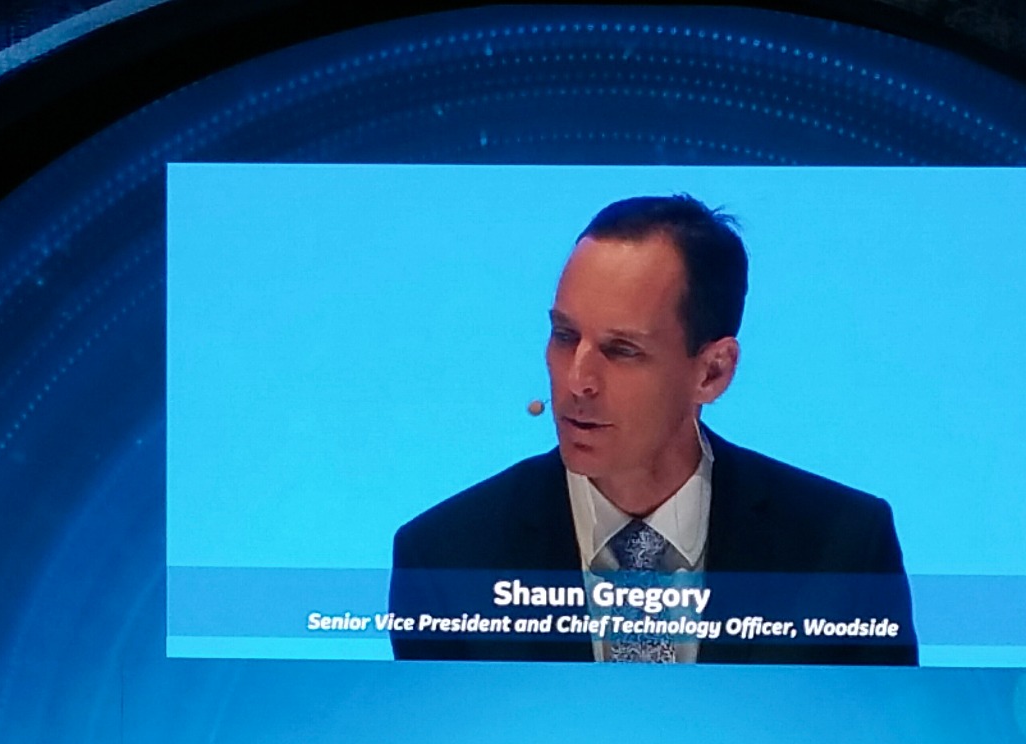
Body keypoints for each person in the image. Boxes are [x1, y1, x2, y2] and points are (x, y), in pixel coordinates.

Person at [388, 194, 916, 666]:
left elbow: (886, 735)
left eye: (622, 350)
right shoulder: (444, 557)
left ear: (712, 372)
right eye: (565, 336)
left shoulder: (842, 548)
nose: (577, 381)